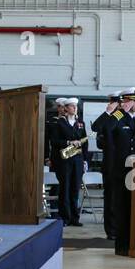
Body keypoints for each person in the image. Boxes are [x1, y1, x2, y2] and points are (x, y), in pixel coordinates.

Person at [109, 88, 135, 255]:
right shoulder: (118, 117)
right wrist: (118, 111)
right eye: (134, 100)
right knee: (122, 208)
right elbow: (102, 128)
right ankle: (122, 246)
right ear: (126, 101)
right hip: (122, 170)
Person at [50, 97, 88, 226]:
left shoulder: (80, 123)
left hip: (77, 159)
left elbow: (85, 143)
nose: (74, 108)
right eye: (72, 106)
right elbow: (54, 141)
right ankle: (65, 217)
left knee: (75, 189)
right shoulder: (60, 123)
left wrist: (85, 160)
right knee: (65, 189)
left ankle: (75, 218)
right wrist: (68, 142)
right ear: (66, 108)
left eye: (75, 106)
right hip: (64, 160)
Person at [92, 93, 121, 236]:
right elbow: (96, 128)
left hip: (123, 163)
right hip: (110, 164)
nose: (114, 106)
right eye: (113, 103)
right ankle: (111, 230)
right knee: (110, 196)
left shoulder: (123, 118)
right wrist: (107, 112)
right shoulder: (107, 118)